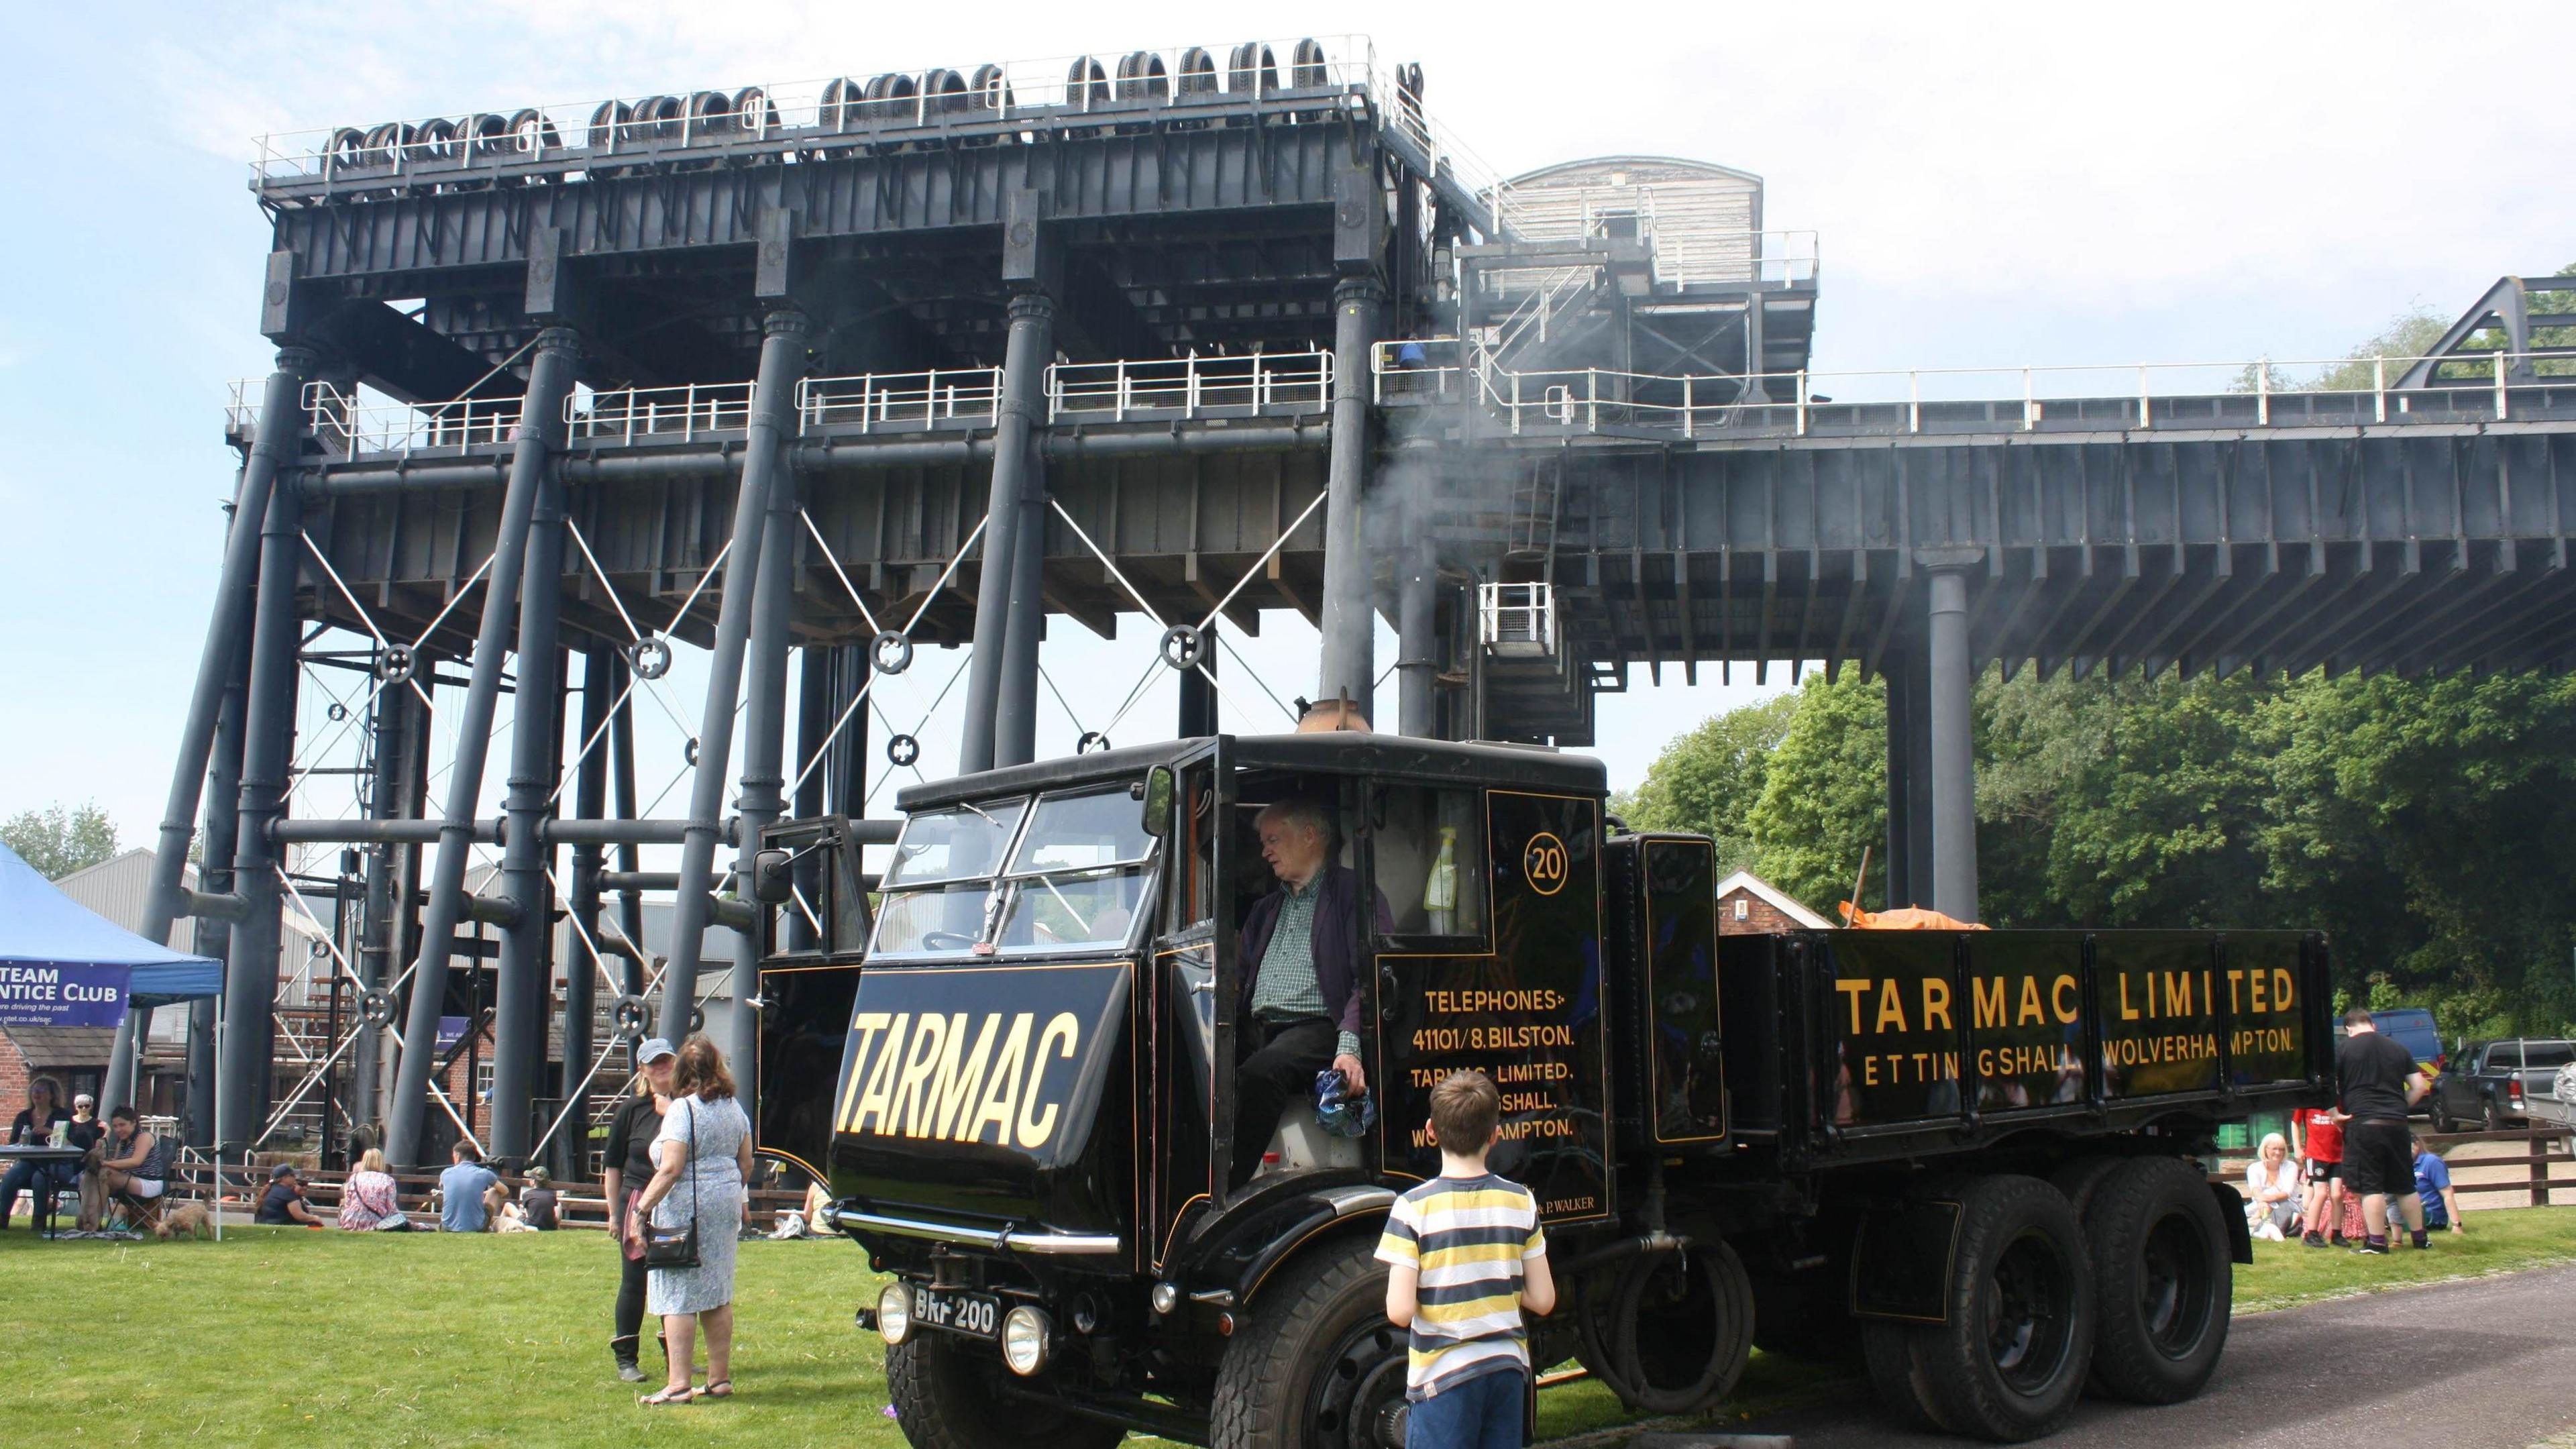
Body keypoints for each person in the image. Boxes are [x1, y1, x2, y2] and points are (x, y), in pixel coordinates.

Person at [1377, 1071, 1556, 1449]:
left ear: (1430, 1131)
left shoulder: (1412, 1208)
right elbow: (1543, 1300)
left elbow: (1399, 1310)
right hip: (1507, 1370)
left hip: (1444, 1377)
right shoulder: (1520, 1200)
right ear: (1495, 1134)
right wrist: (1498, 1277)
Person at [1232, 796, 1393, 1184]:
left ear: (1309, 837)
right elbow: (1238, 979)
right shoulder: (1265, 909)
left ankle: (1223, 1187)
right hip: (1261, 1030)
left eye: (1273, 840)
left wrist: (1349, 1048)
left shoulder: (1356, 895)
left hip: (1322, 1026)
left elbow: (1372, 979)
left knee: (1260, 1073)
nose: (1264, 851)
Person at [633, 1035, 754, 1406]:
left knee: (676, 1297)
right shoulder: (734, 1108)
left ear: (683, 1071)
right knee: (718, 1292)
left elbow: (671, 1167)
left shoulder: (682, 1110)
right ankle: (719, 1380)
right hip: (724, 1207)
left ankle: (678, 1384)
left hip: (685, 1209)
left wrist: (641, 1210)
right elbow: (746, 1161)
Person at [603, 1037, 679, 1382]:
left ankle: (676, 1357)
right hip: (637, 1201)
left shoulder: (689, 1106)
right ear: (642, 1070)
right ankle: (626, 1359)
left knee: (676, 1281)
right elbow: (613, 1166)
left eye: (666, 1060)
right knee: (634, 1283)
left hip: (676, 1202)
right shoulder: (630, 1111)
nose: (662, 1067)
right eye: (654, 1063)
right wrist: (615, 1214)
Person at [2336, 1007, 2432, 1253]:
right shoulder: (2398, 1048)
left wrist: (2335, 1115)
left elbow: (2329, 1087)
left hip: (2364, 1123)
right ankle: (2420, 1239)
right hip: (2397, 1124)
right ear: (2373, 1025)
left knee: (2371, 1186)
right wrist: (2400, 1107)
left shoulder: (2344, 1050)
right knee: (2405, 1184)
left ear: (2348, 1028)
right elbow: (2419, 1086)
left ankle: (2378, 1242)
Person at [1, 1075, 74, 1231]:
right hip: (29, 1162)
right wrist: (21, 1141)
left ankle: (39, 1222)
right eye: (34, 1090)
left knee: (40, 1177)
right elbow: (13, 1144)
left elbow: (73, 1144)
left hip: (58, 1163)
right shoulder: (24, 1116)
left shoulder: (62, 1115)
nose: (37, 1093)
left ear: (52, 1095)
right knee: (11, 1176)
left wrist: (51, 1132)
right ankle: (2, 1220)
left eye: (41, 1090)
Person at [95, 1106, 172, 1229]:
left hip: (149, 1182)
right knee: (95, 1175)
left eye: (122, 1125)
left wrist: (106, 1163)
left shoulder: (145, 1137)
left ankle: (94, 1220)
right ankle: (91, 1219)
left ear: (134, 1123)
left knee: (105, 1173)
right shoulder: (122, 1143)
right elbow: (118, 1166)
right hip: (129, 1181)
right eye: (115, 1126)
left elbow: (136, 1161)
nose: (118, 1130)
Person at [2291, 1099, 2345, 1247]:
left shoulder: (2339, 1101)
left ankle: (2337, 1233)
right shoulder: (2307, 1102)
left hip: (2338, 1155)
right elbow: (2295, 1123)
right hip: (2316, 1155)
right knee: (2320, 1193)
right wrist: (2297, 1147)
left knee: (2337, 1194)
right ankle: (2312, 1233)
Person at [2244, 1132, 2301, 1240]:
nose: (2278, 1152)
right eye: (2274, 1149)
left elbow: (2287, 1193)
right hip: (2261, 1206)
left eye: (2282, 1149)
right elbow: (2255, 1190)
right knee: (2258, 1209)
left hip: (2287, 1203)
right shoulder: (2254, 1168)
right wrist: (2262, 1201)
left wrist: (2265, 1200)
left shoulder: (2291, 1166)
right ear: (2265, 1149)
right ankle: (2265, 1227)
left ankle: (2263, 1229)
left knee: (2284, 1207)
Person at [338, 1148, 412, 1231]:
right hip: (377, 1223)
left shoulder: (354, 1178)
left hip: (352, 1222)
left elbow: (348, 1203)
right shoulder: (388, 1180)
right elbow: (391, 1208)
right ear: (381, 1162)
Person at [437, 1140, 500, 1233]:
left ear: (458, 1156)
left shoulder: (446, 1173)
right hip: (476, 1227)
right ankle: (487, 1225)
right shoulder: (484, 1173)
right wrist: (485, 1193)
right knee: (495, 1191)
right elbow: (505, 1190)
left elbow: (443, 1189)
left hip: (447, 1228)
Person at [2412, 1135, 2465, 1236]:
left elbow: (2447, 1193)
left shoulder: (2432, 1162)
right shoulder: (2401, 1164)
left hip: (2430, 1216)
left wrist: (2457, 1225)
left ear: (2417, 1145)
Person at [257, 1163, 327, 1228]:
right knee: (315, 1225)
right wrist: (315, 1218)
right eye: (293, 1175)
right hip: (283, 1227)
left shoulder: (272, 1189)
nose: (294, 1178)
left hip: (268, 1225)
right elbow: (300, 1216)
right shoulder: (287, 1193)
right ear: (284, 1178)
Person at [522, 1166, 559, 1230]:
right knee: (559, 1206)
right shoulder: (552, 1194)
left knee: (508, 1205)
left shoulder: (527, 1194)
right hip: (549, 1227)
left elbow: (527, 1214)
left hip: (531, 1226)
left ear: (533, 1181)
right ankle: (557, 1227)